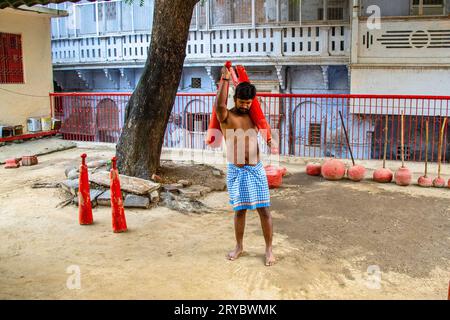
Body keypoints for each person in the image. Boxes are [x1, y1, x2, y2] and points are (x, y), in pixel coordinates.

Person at [216, 65, 275, 266]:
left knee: (264, 211)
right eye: (242, 102)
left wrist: (269, 139)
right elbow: (219, 105)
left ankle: (268, 249)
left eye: (249, 103)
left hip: (256, 169)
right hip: (237, 170)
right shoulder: (227, 117)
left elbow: (263, 124)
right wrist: (224, 80)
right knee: (239, 211)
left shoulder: (252, 115)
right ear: (235, 100)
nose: (245, 106)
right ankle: (239, 246)